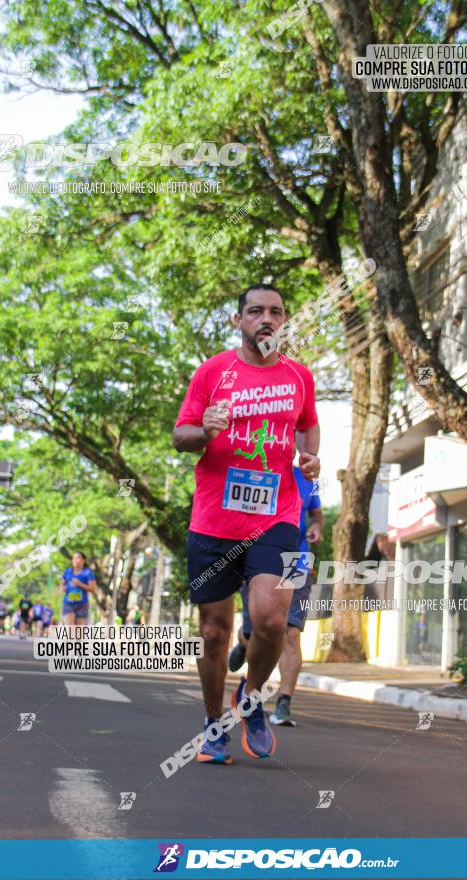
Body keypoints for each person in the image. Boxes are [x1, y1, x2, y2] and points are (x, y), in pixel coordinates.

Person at [173, 284, 320, 765]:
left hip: (277, 516)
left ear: (284, 322)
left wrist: (311, 454)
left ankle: (251, 698)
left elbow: (309, 423)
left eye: (276, 312)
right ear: (239, 320)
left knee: (273, 619)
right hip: (214, 519)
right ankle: (214, 724)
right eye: (256, 311)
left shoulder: (299, 377)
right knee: (215, 633)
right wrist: (205, 430)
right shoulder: (213, 372)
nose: (267, 319)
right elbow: (181, 436)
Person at [229, 459, 324, 726]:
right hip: (257, 559)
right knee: (257, 629)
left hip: (298, 559)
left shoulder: (306, 478)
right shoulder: (252, 472)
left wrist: (316, 527)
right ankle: (243, 640)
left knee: (291, 632)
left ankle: (284, 701)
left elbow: (317, 515)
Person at [60, 552, 97, 633]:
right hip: (68, 603)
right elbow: (62, 584)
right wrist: (63, 588)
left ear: (83, 560)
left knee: (79, 634)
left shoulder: (87, 573)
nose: (75, 560)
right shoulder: (68, 571)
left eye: (78, 557)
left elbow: (93, 589)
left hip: (82, 605)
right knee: (69, 630)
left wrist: (79, 584)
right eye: (74, 558)